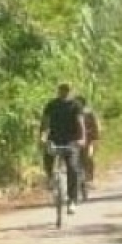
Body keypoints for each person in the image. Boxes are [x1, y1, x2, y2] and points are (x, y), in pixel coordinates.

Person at [39, 83, 85, 214]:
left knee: (73, 168)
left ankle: (72, 200)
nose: (64, 92)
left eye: (67, 90)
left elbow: (80, 123)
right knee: (48, 156)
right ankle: (50, 179)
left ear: (71, 91)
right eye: (62, 90)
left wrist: (82, 139)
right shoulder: (51, 105)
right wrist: (43, 137)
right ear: (58, 91)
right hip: (54, 139)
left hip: (71, 141)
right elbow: (46, 124)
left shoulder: (76, 106)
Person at [74, 96, 101, 196]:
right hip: (76, 141)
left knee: (88, 158)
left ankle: (90, 178)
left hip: (89, 141)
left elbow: (96, 127)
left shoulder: (89, 113)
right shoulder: (72, 113)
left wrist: (96, 139)